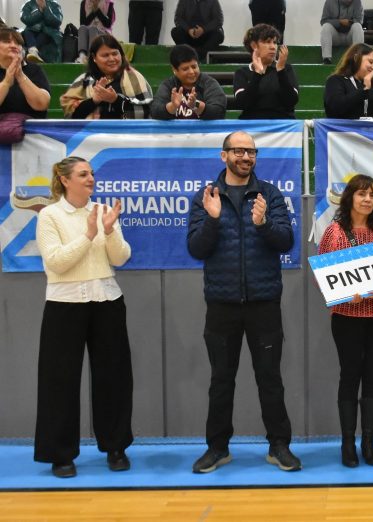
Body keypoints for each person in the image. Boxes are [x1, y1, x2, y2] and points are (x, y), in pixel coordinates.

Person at [187, 131, 301, 473]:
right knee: (221, 380)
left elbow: (286, 241)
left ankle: (279, 446)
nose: (246, 157)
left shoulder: (270, 194)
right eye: (238, 151)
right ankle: (217, 448)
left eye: (251, 151)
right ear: (224, 156)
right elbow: (196, 248)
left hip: (263, 303)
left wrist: (263, 224)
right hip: (221, 305)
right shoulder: (207, 196)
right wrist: (212, 219)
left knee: (270, 378)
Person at [34, 156, 133, 479]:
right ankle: (60, 454)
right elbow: (56, 262)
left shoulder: (103, 211)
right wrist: (89, 235)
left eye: (91, 173)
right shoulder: (50, 215)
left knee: (114, 377)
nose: (90, 178)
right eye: (82, 174)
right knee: (59, 380)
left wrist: (109, 231)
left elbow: (121, 257)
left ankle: (116, 448)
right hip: (64, 304)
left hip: (107, 300)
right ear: (65, 180)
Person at [317, 174, 373, 468]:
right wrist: (341, 295)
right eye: (362, 194)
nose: (367, 199)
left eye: (372, 195)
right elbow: (324, 278)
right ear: (349, 197)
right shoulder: (334, 233)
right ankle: (347, 443)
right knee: (350, 376)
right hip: (346, 318)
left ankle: (369, 442)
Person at [60, 34, 152, 119]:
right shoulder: (84, 81)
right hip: (92, 132)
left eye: (115, 54)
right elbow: (72, 117)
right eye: (105, 55)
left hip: (126, 131)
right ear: (94, 58)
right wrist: (94, 100)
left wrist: (115, 100)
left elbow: (146, 111)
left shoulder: (135, 78)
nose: (111, 59)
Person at [234, 23, 298, 119]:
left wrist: (281, 71)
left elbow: (291, 101)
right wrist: (257, 74)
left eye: (275, 42)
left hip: (282, 124)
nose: (273, 47)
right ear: (254, 45)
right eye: (268, 42)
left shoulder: (286, 69)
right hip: (252, 124)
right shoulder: (242, 73)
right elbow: (242, 103)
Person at [151, 44, 226, 120]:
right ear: (174, 70)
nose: (191, 72)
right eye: (185, 69)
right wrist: (173, 106)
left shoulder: (209, 83)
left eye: (194, 67)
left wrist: (196, 104)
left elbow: (219, 111)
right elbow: (155, 111)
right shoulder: (168, 85)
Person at [324, 43, 373, 119]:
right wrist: (364, 89)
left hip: (369, 127)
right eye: (370, 62)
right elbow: (336, 108)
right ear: (356, 58)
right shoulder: (336, 80)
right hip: (344, 127)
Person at [0, 27, 50, 118]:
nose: (13, 45)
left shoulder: (34, 69)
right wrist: (6, 82)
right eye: (7, 42)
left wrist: (20, 76)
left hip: (30, 125)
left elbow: (42, 104)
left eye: (18, 43)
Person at [320, 0, 364, 65]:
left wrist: (349, 22)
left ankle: (358, 58)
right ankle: (326, 59)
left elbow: (359, 20)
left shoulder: (357, 2)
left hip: (350, 36)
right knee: (326, 26)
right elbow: (323, 21)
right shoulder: (329, 2)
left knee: (357, 26)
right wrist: (339, 22)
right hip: (336, 37)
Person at [75, 0, 114, 65]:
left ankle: (91, 56)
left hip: (103, 32)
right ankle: (82, 56)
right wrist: (93, 12)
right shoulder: (84, 3)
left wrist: (97, 10)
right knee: (82, 28)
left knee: (93, 29)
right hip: (88, 30)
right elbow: (83, 23)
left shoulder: (109, 3)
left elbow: (108, 24)